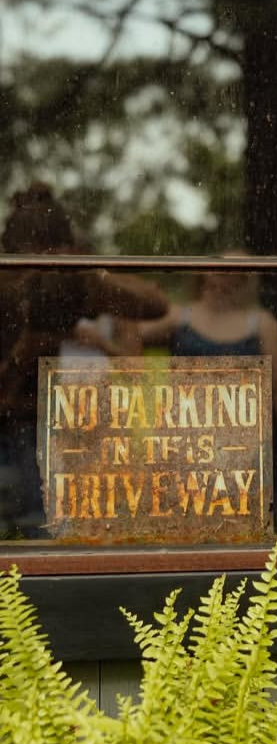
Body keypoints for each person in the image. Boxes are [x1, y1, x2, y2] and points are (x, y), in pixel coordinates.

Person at [0, 183, 168, 534]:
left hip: (48, 425)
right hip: (18, 424)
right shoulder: (10, 290)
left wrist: (87, 274)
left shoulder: (73, 284)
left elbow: (153, 306)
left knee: (44, 531)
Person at [138, 263, 277, 512]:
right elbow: (127, 341)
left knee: (245, 524)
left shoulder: (261, 324)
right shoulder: (179, 318)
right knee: (188, 519)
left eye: (238, 272)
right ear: (205, 272)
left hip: (245, 448)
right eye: (221, 269)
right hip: (187, 446)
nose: (226, 276)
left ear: (247, 280)